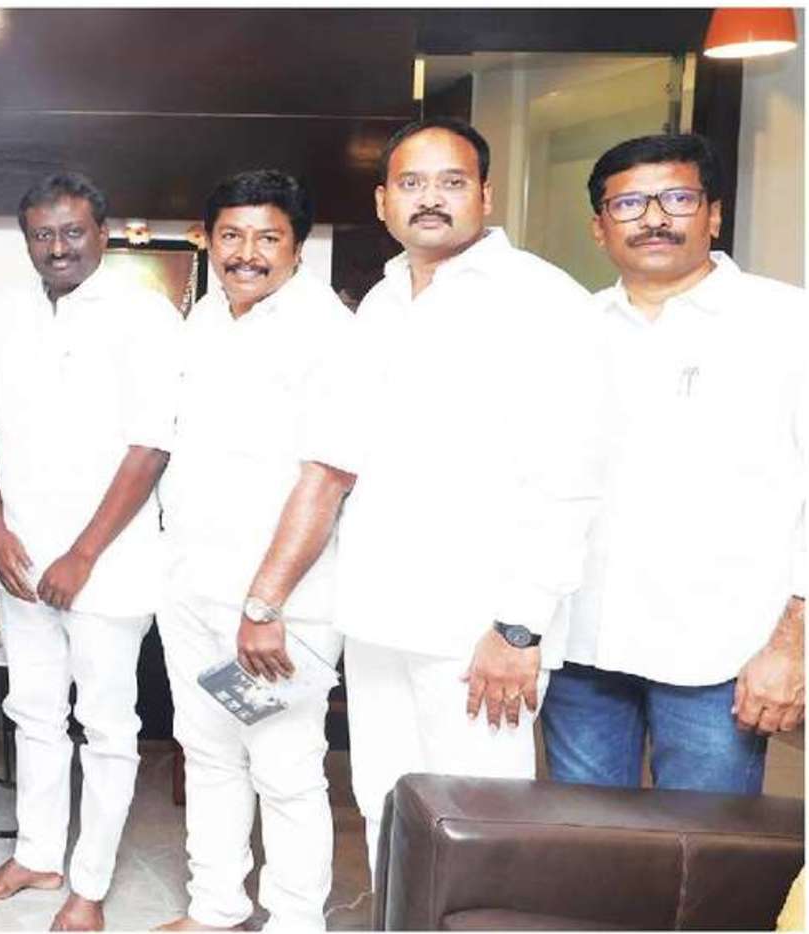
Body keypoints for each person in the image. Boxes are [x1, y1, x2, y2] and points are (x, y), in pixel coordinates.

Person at [237, 117, 610, 882]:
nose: (430, 199)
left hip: (477, 630)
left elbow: (571, 477)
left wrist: (519, 626)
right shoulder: (383, 301)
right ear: (383, 202)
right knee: (387, 804)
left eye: (451, 182)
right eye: (411, 184)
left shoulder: (541, 299)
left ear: (486, 195)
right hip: (380, 615)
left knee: (478, 826)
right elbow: (343, 463)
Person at [544, 132, 806, 794]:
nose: (654, 218)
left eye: (678, 199)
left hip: (721, 654)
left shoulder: (785, 324)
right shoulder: (574, 328)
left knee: (706, 846)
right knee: (585, 841)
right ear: (600, 227)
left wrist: (792, 644)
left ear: (713, 214)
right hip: (582, 647)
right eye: (628, 203)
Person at [0, 170, 180, 933]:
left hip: (108, 568)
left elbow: (151, 447)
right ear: (26, 240)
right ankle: (37, 855)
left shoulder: (146, 316)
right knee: (33, 713)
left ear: (104, 233)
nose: (58, 248)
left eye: (73, 232)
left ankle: (88, 885)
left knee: (108, 726)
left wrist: (83, 556)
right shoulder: (2, 312)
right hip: (20, 559)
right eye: (42, 235)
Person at [151, 171, 352, 932]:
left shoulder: (325, 332)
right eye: (231, 235)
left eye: (269, 238)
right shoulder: (206, 316)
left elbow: (326, 476)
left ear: (297, 246)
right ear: (207, 239)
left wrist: (265, 605)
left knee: (285, 769)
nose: (247, 253)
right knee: (208, 753)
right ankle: (216, 909)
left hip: (278, 606)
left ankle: (296, 922)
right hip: (193, 587)